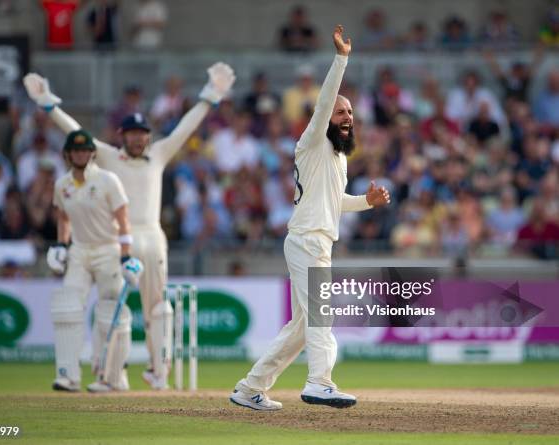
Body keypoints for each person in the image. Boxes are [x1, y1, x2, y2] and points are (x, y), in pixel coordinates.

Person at [23, 62, 235, 390]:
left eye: (143, 134)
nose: (138, 139)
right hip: (118, 240)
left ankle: (158, 371)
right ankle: (112, 374)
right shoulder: (107, 156)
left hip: (153, 237)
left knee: (158, 307)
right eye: (133, 134)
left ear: (148, 136)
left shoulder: (159, 153)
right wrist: (49, 104)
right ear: (123, 136)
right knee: (114, 307)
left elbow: (184, 129)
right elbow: (76, 134)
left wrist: (210, 96)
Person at [230, 25, 390, 411]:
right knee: (321, 317)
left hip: (316, 239)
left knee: (301, 328)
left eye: (350, 111)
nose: (347, 116)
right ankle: (320, 382)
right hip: (306, 239)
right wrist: (341, 59)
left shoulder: (337, 157)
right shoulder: (313, 141)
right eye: (341, 111)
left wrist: (366, 202)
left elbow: (334, 204)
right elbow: (323, 105)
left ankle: (250, 388)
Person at [48, 128, 143, 393]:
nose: (81, 154)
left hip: (108, 250)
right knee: (67, 308)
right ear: (68, 155)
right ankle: (68, 375)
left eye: (85, 150)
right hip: (79, 250)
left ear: (92, 153)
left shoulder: (108, 180)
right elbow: (63, 218)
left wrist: (126, 256)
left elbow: (124, 220)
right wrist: (61, 245)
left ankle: (113, 376)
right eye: (76, 150)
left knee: (111, 311)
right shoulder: (62, 185)